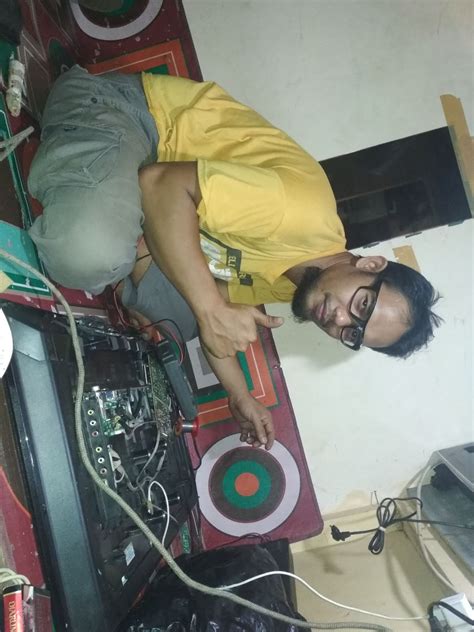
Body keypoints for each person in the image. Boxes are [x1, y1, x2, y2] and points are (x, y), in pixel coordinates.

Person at [27, 66, 441, 449]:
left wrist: (240, 395)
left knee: (182, 321)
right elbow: (159, 185)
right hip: (130, 116)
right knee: (86, 254)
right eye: (363, 305)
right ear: (370, 265)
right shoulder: (295, 213)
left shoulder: (301, 281)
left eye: (353, 333)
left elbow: (218, 307)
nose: (340, 320)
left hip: (159, 184)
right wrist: (209, 308)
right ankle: (120, 237)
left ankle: (128, 231)